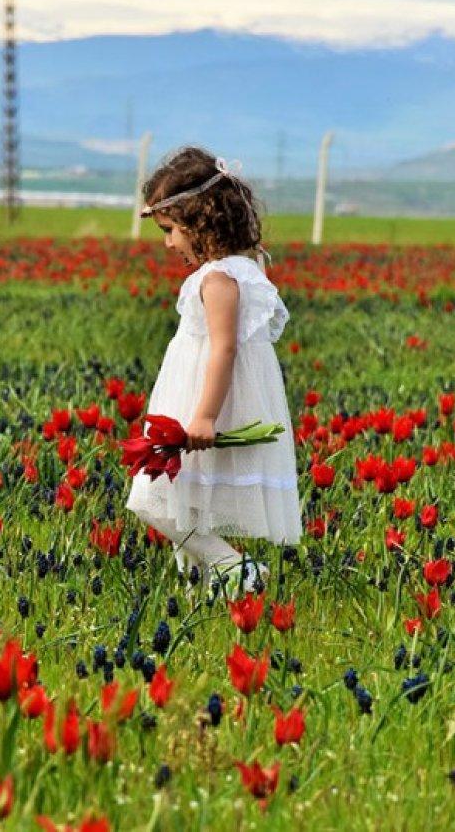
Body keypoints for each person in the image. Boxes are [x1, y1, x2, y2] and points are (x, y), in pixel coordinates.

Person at [125, 145, 301, 595]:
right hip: (200, 393)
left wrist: (203, 416)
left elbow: (223, 350)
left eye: (170, 229)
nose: (168, 243)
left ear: (199, 221)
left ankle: (234, 569)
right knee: (182, 497)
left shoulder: (218, 279)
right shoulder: (238, 268)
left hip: (203, 398)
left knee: (153, 498)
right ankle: (198, 580)